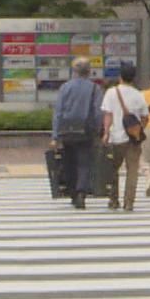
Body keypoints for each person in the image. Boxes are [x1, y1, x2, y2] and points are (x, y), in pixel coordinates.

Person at [51, 58, 103, 209]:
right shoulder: (95, 88)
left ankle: (73, 191)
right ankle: (81, 192)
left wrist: (55, 135)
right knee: (84, 162)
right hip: (86, 130)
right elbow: (98, 112)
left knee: (69, 162)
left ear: (74, 71)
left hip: (67, 130)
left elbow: (58, 112)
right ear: (88, 71)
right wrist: (98, 130)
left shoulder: (65, 87)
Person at [101, 62, 149, 211]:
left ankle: (113, 200)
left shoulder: (111, 92)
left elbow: (108, 115)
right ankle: (129, 203)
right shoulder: (138, 94)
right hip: (133, 140)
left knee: (112, 169)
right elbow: (145, 117)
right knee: (132, 171)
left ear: (120, 76)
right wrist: (138, 130)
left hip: (116, 138)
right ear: (133, 78)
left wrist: (106, 132)